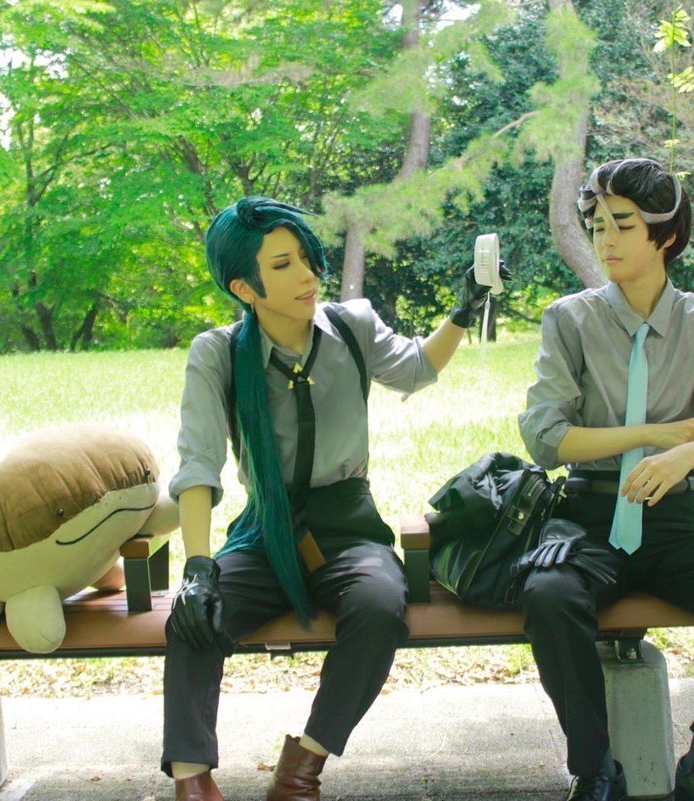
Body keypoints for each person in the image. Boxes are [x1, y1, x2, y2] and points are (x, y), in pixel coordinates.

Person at [163, 197, 497, 801]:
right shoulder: (218, 354)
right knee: (194, 620)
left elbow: (417, 368)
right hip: (265, 531)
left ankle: (301, 769)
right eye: (283, 264)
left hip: (348, 528)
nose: (307, 274)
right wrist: (197, 569)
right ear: (244, 287)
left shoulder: (350, 326)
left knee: (380, 606)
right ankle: (192, 780)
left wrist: (463, 309)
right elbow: (197, 466)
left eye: (305, 257)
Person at [517, 158, 694, 801]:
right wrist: (652, 435)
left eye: (623, 225)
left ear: (665, 236)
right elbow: (546, 436)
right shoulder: (570, 319)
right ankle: (595, 768)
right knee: (549, 596)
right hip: (588, 518)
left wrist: (681, 459)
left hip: (675, 523)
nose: (605, 239)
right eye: (597, 225)